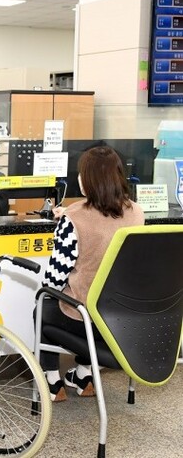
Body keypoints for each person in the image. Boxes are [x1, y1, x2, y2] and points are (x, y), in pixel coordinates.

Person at [37, 146, 144, 402]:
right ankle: (83, 375)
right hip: (124, 319)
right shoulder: (137, 212)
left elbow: (53, 279)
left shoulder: (74, 218)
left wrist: (68, 221)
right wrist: (71, 215)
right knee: (96, 300)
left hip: (85, 319)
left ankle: (52, 382)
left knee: (43, 304)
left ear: (88, 179)